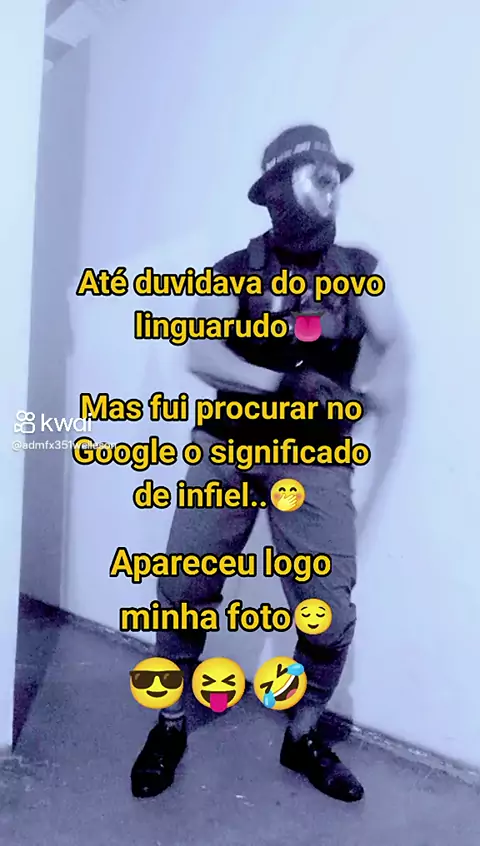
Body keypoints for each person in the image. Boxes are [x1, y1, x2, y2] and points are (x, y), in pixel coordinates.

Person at [130, 125, 408, 802]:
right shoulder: (235, 268)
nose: (331, 192)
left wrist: (367, 395)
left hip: (314, 460)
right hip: (227, 449)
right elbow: (200, 353)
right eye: (318, 178)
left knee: (328, 615)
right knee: (183, 591)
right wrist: (282, 383)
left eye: (335, 180)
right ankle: (170, 723)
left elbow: (393, 342)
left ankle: (302, 734)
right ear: (278, 190)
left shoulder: (359, 269)